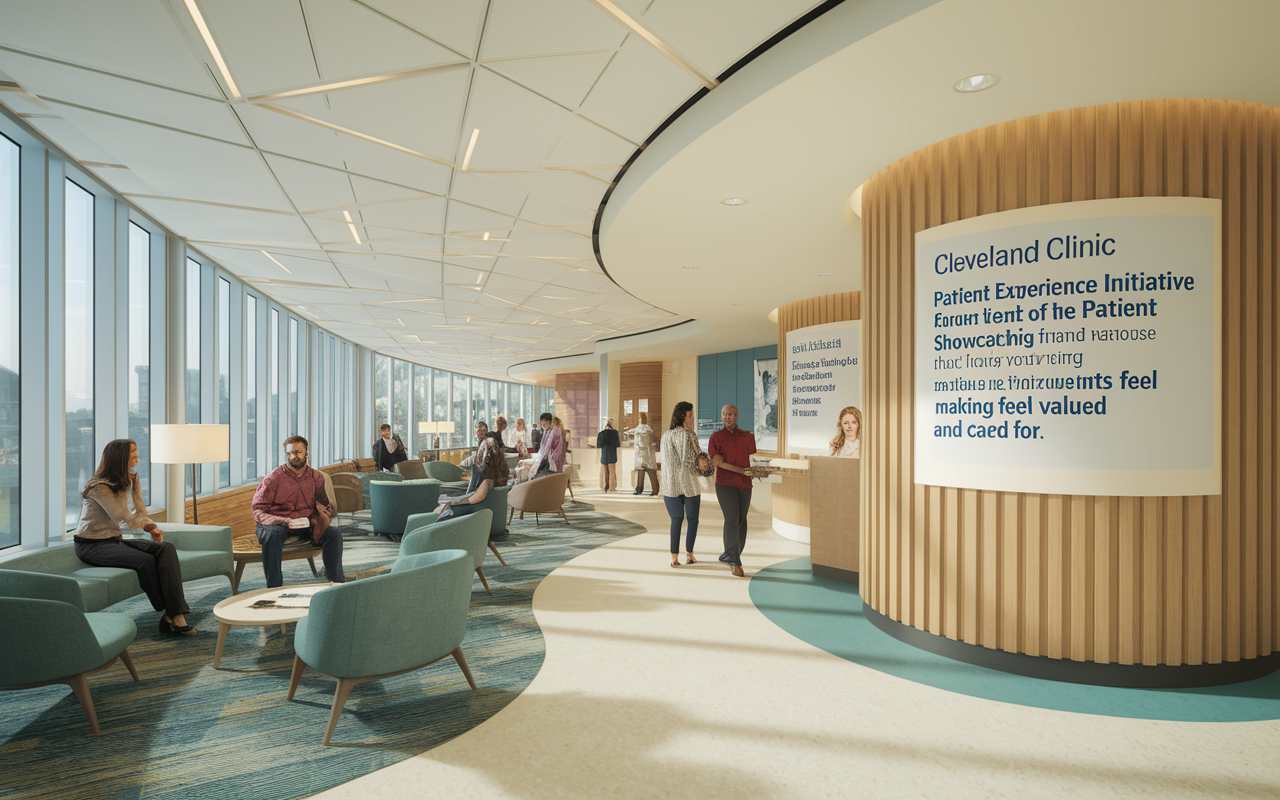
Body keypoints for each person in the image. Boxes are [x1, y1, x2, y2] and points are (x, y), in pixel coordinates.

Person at [73, 439, 196, 636]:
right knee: (146, 560)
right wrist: (147, 527)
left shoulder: (131, 478)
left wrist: (152, 528)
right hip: (91, 545)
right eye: (133, 452)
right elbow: (123, 516)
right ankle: (173, 615)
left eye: (137, 450)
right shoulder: (98, 487)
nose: (137, 455)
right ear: (120, 457)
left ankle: (174, 615)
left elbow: (140, 509)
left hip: (114, 540)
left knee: (166, 547)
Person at [251, 435, 345, 588]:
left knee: (334, 534)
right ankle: (274, 587)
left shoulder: (316, 477)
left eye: (298, 452)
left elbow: (323, 504)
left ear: (306, 453)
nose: (294, 456)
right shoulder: (274, 478)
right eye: (290, 453)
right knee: (273, 535)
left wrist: (321, 516)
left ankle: (336, 583)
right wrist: (281, 521)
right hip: (276, 525)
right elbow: (257, 509)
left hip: (304, 524)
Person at [709, 404, 757, 578]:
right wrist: (740, 470)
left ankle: (731, 554)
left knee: (741, 520)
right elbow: (717, 462)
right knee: (731, 519)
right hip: (725, 484)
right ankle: (735, 561)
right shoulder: (716, 437)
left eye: (731, 414)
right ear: (721, 417)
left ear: (737, 416)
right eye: (724, 414)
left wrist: (755, 471)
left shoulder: (748, 437)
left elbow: (752, 458)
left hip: (745, 484)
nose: (727, 417)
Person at [660, 401, 705, 568]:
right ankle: (690, 555)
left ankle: (674, 558)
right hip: (689, 483)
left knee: (676, 519)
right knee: (692, 519)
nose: (693, 418)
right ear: (683, 417)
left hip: (670, 485)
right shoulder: (689, 435)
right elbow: (697, 459)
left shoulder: (666, 435)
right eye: (690, 415)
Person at [436, 436, 509, 520]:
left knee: (441, 510)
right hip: (486, 510)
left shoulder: (487, 482)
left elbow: (474, 500)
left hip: (477, 510)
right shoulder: (501, 474)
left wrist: (451, 502)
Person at [631, 412, 659, 496]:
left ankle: (654, 490)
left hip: (646, 453)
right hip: (642, 454)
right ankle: (641, 489)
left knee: (649, 471)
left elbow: (645, 442)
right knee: (641, 472)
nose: (640, 420)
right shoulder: (645, 429)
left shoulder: (646, 430)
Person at [533, 412, 565, 477]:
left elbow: (547, 446)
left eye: (545, 423)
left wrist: (540, 458)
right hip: (551, 458)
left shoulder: (555, 430)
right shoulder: (548, 431)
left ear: (549, 422)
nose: (543, 425)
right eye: (542, 423)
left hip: (554, 459)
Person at [596, 419, 620, 492]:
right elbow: (617, 444)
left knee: (604, 471)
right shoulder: (615, 433)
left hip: (604, 452)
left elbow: (598, 445)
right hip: (612, 452)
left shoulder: (601, 433)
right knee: (612, 471)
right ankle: (612, 487)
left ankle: (604, 486)